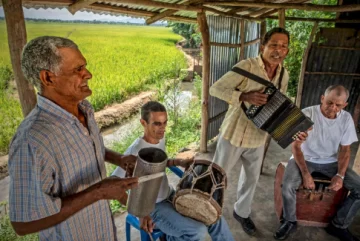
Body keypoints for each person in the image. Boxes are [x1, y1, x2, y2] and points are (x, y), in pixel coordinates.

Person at [8, 36, 138, 241]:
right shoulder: (33, 140)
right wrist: (98, 193)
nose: (89, 74)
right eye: (78, 70)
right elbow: (22, 224)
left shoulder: (84, 109)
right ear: (48, 78)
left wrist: (119, 159)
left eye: (85, 66)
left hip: (103, 231)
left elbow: (87, 149)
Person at [209, 27, 297, 235]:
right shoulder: (247, 66)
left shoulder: (284, 74)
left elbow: (277, 102)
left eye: (283, 46)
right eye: (274, 44)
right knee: (218, 175)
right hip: (234, 132)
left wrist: (289, 125)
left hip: (258, 135)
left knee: (251, 178)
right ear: (263, 46)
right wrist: (243, 96)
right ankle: (209, 211)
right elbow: (216, 89)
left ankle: (242, 211)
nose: (278, 50)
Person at [112, 101, 235, 241]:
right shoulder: (135, 151)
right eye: (157, 123)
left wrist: (177, 162)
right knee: (197, 231)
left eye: (165, 122)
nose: (162, 128)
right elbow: (114, 187)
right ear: (143, 123)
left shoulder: (160, 137)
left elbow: (159, 163)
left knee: (214, 217)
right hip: (153, 207)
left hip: (169, 195)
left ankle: (171, 235)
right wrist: (140, 213)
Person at [274, 85, 359, 241]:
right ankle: (289, 221)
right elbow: (296, 147)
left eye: (338, 105)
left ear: (344, 105)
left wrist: (340, 175)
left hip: (331, 162)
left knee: (359, 188)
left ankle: (338, 225)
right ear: (322, 98)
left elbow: (345, 150)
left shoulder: (346, 119)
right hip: (304, 158)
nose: (332, 108)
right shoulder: (307, 114)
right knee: (288, 185)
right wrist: (306, 174)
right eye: (329, 102)